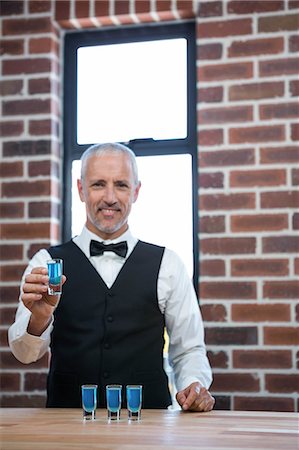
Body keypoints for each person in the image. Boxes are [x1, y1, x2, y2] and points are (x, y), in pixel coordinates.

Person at [8, 142, 215, 412]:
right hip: (66, 427)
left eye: (121, 184)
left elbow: (189, 349)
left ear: (136, 191)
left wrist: (193, 384)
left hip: (148, 425)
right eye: (97, 185)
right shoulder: (46, 263)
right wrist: (39, 318)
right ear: (81, 189)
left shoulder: (168, 264)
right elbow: (25, 355)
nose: (110, 197)